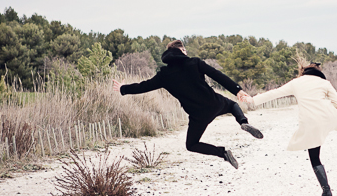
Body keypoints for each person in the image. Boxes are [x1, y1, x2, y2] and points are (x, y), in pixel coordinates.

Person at [241, 60, 337, 196]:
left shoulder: (296, 83)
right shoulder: (324, 83)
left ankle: (327, 192)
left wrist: (252, 99)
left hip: (310, 121)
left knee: (314, 156)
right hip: (329, 114)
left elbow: (275, 93)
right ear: (319, 73)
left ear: (304, 72)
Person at [112, 40, 263, 169]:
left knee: (192, 144)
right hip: (214, 103)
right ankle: (243, 122)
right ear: (181, 50)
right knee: (232, 105)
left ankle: (222, 153)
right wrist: (237, 90)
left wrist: (123, 89)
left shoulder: (164, 75)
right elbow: (218, 76)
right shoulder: (195, 62)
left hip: (197, 115)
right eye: (184, 49)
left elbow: (143, 86)